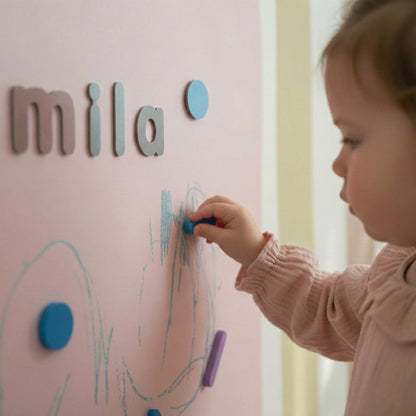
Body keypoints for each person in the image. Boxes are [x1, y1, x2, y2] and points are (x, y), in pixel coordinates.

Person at [188, 0, 416, 414]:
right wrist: (258, 254)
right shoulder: (395, 273)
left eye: (352, 139)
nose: (337, 163)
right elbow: (327, 307)